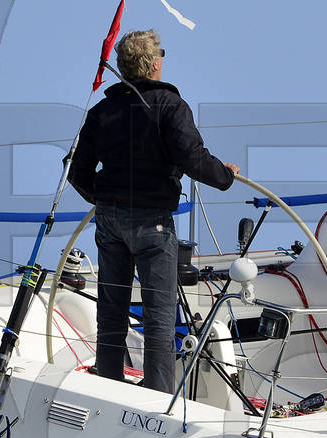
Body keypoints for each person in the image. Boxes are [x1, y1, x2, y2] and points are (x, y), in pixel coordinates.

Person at [68, 29, 238, 392]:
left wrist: (103, 197)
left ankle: (108, 386)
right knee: (159, 315)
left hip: (109, 220)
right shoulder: (170, 106)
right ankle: (158, 398)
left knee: (111, 309)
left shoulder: (102, 111)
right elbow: (193, 159)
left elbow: (75, 168)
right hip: (152, 222)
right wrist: (225, 176)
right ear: (155, 64)